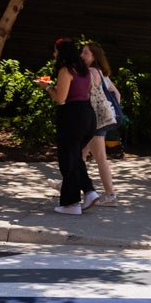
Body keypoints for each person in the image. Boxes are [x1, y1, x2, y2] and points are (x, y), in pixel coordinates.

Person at [47, 38, 98, 216]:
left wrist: (46, 87)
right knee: (75, 157)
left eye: (55, 51)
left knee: (68, 160)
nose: (54, 54)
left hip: (72, 116)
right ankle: (89, 191)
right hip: (87, 115)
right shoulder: (84, 70)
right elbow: (85, 91)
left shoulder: (65, 70)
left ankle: (71, 203)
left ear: (62, 53)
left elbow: (61, 98)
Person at [82, 40, 123, 205]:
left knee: (100, 158)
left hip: (94, 121)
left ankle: (110, 195)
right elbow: (117, 94)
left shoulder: (91, 72)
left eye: (86, 53)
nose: (81, 55)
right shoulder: (103, 74)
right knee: (80, 155)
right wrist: (109, 110)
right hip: (101, 120)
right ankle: (68, 185)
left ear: (94, 57)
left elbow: (85, 95)